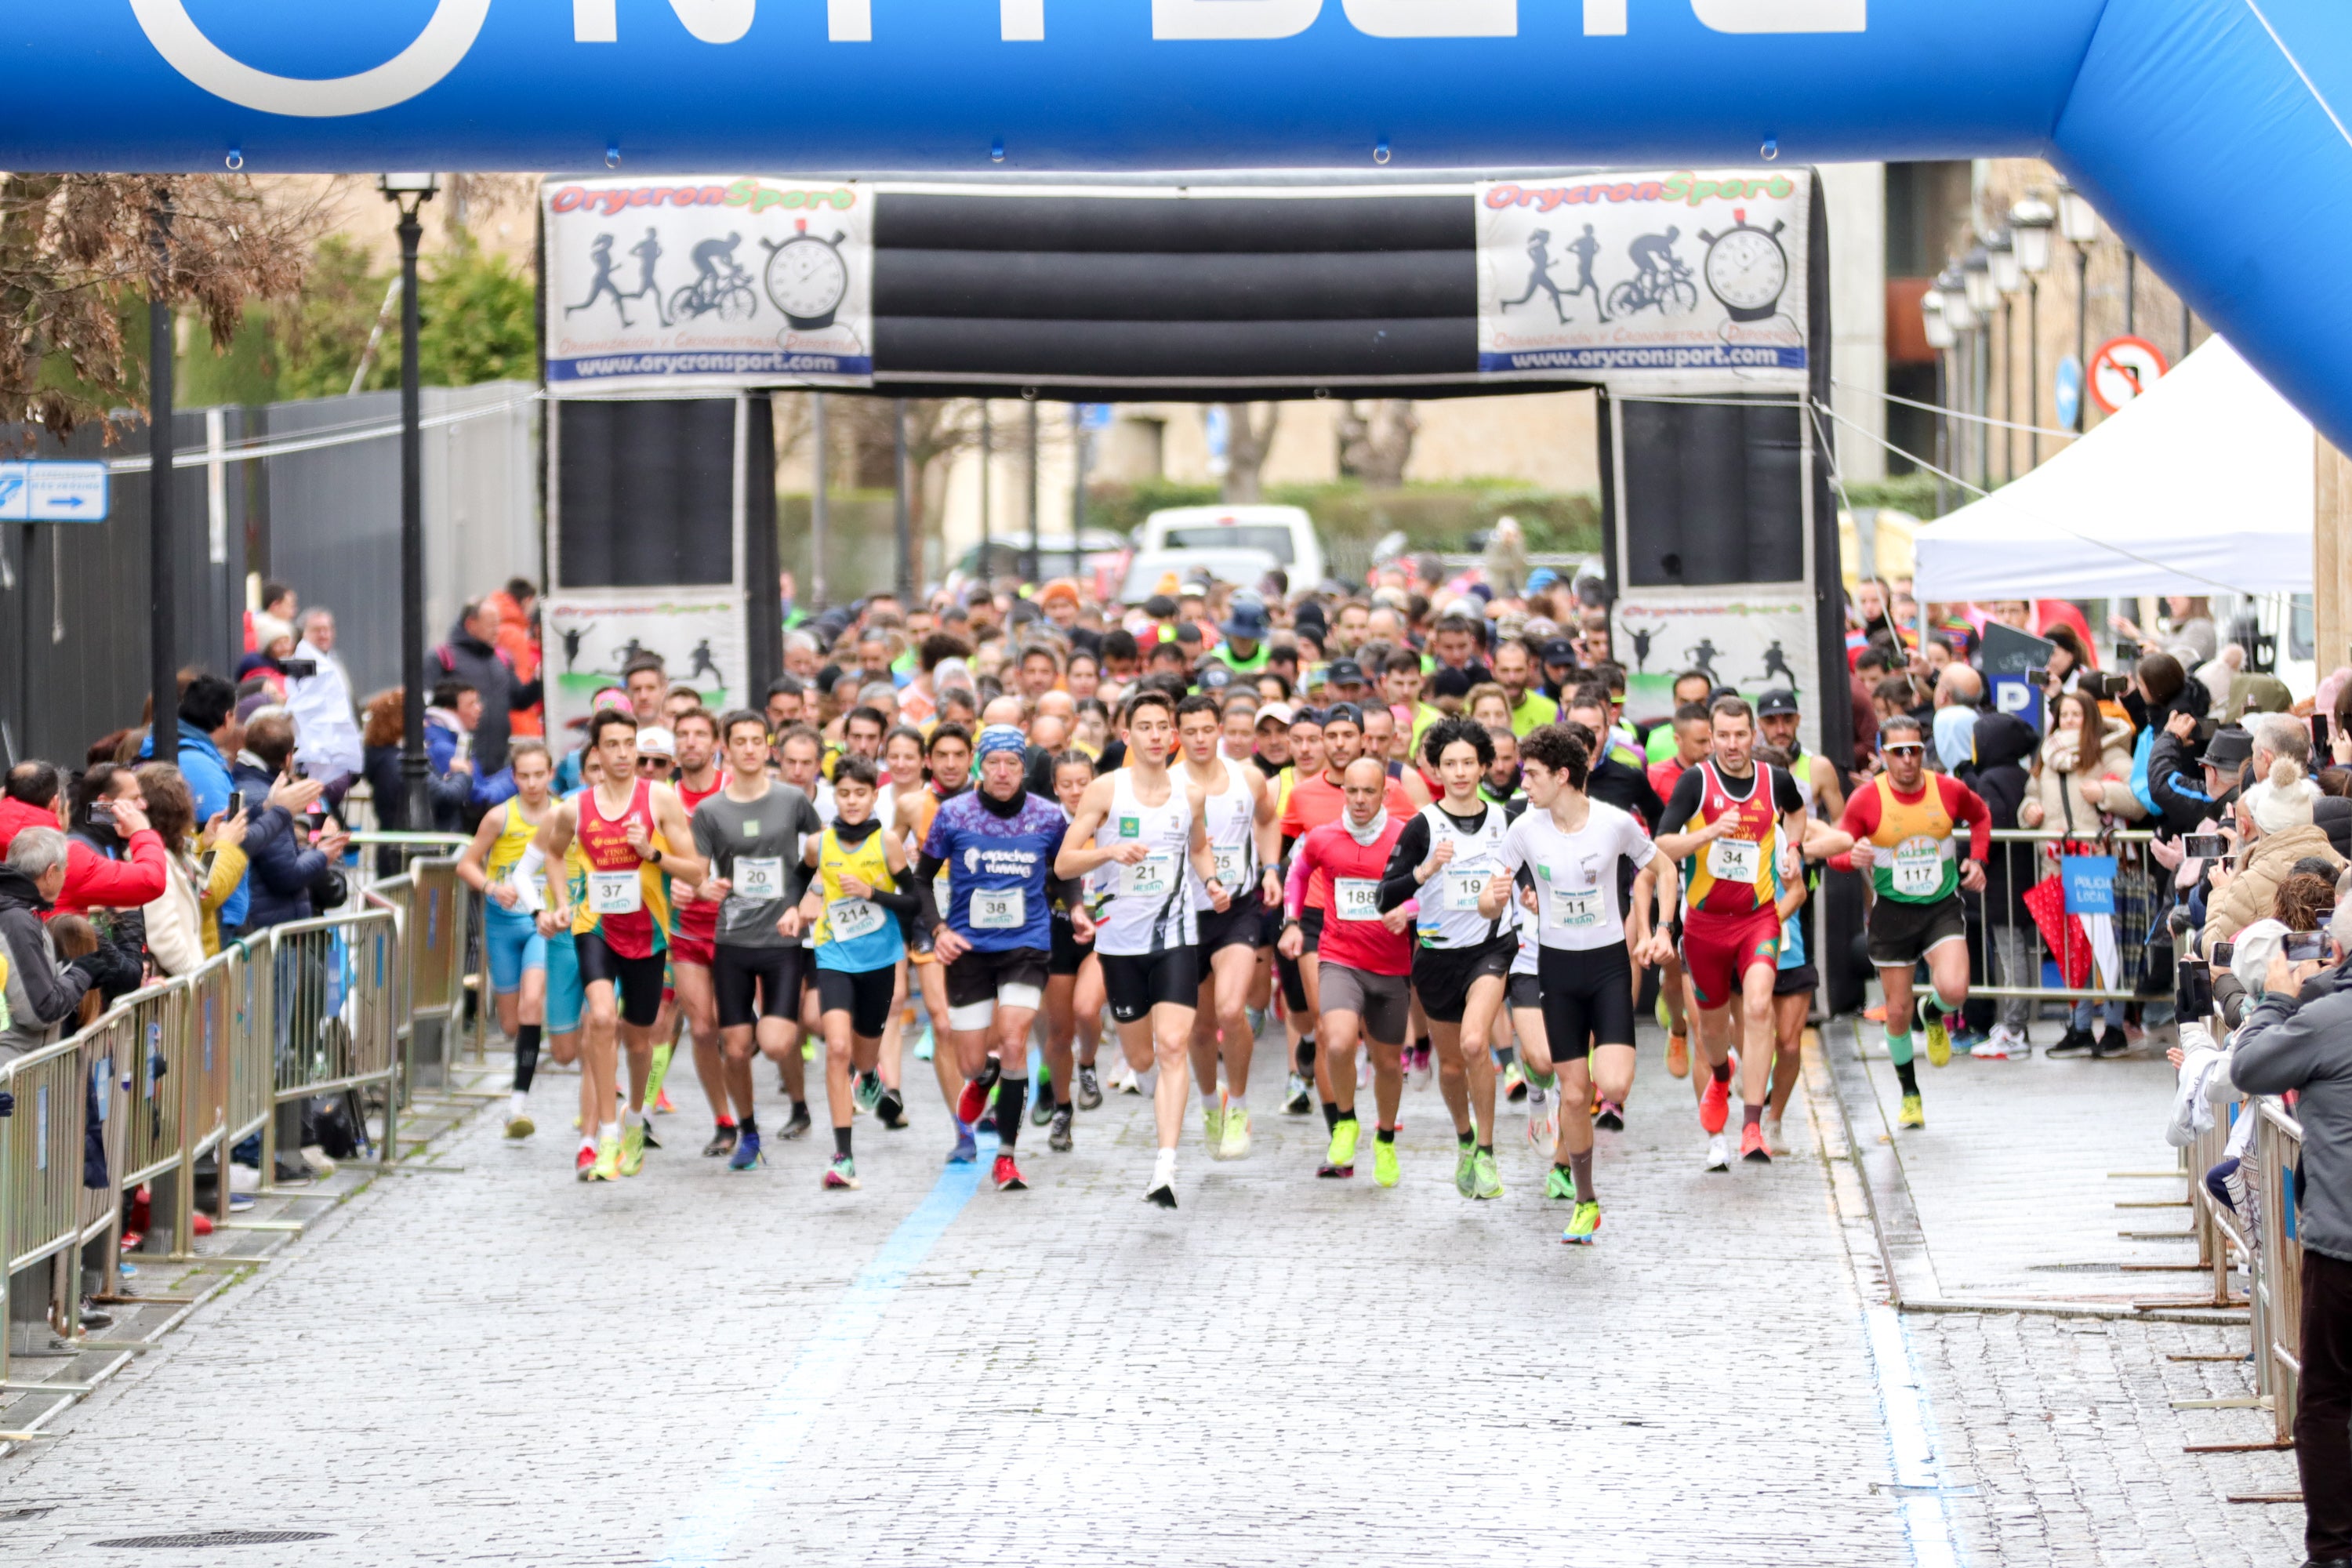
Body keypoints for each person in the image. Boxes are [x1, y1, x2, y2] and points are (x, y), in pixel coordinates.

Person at [1480, 722, 1675, 1242]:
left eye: (1533, 774)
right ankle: (1585, 1200)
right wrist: (1495, 897)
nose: (1524, 783)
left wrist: (1662, 929)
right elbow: (1486, 897)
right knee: (1573, 1092)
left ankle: (1582, 1080)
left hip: (1610, 966)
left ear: (1563, 776)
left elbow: (1666, 867)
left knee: (1612, 1084)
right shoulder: (1523, 829)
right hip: (1557, 970)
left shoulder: (1613, 824)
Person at [1057, 691, 1218, 1208]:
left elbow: (1199, 846)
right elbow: (1063, 864)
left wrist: (1212, 880)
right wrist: (1108, 850)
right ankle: (1155, 1095)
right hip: (1119, 944)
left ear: (1172, 736)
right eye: (1143, 727)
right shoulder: (1107, 789)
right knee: (1141, 1054)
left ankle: (1165, 1167)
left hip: (1175, 937)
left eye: (1161, 727)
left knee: (1174, 1045)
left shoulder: (1189, 795)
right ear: (1127, 737)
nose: (1154, 736)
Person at [535, 711, 706, 1183]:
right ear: (596, 753)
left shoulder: (661, 800)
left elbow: (695, 872)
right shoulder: (575, 808)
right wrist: (561, 901)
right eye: (612, 745)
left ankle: (634, 1119)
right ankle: (606, 1133)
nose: (624, 754)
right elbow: (553, 853)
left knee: (639, 1038)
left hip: (648, 931)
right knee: (603, 1018)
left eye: (629, 744)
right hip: (595, 925)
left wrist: (652, 853)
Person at [920, 723, 1077, 1192]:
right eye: (993, 763)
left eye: (1012, 763)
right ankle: (981, 1077)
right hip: (968, 948)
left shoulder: (1048, 817)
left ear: (1023, 768)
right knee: (972, 1059)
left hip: (1026, 944)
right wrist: (938, 929)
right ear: (979, 767)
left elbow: (1065, 872)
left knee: (1013, 1041)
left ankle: (1006, 1157)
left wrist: (1079, 908)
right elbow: (920, 880)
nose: (1003, 772)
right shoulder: (953, 814)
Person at [1654, 697, 1809, 1169]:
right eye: (1723, 736)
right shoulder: (1695, 782)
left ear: (1753, 735)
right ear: (1712, 736)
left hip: (1757, 918)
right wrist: (1708, 833)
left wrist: (1795, 849)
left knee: (1760, 1006)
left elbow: (1797, 812)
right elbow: (1663, 842)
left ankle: (1752, 1126)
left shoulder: (1774, 780)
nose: (1733, 744)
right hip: (1703, 926)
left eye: (1741, 735)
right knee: (1713, 1031)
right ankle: (1722, 1075)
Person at [1381, 717, 1521, 1202]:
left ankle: (1486, 1148)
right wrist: (1425, 870)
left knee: (1476, 1042)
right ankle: (1464, 1138)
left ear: (1485, 766)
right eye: (1449, 764)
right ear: (1435, 769)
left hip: (1492, 948)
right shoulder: (1422, 826)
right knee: (1453, 1065)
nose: (1460, 772)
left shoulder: (1507, 820)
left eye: (1468, 762)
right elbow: (1385, 896)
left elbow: (1530, 874)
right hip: (1437, 956)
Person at [1829, 715, 1991, 1131]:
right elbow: (1836, 852)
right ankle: (1910, 1094)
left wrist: (1977, 858)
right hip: (1892, 915)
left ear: (1923, 751)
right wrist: (1853, 858)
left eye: (1914, 751)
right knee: (1897, 1012)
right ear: (1882, 755)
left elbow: (1981, 816)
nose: (1907, 760)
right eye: (1898, 752)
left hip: (1940, 907)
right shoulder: (1866, 800)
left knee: (1954, 990)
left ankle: (1934, 1013)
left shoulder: (1947, 790)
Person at [696, 711, 827, 1173]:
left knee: (773, 1043)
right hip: (732, 939)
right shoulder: (710, 811)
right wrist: (701, 885)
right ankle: (749, 1132)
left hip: (782, 939)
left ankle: (799, 1102)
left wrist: (808, 896)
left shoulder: (793, 800)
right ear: (725, 749)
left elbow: (824, 854)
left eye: (757, 741)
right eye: (740, 741)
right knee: (734, 1047)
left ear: (767, 748)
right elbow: (698, 870)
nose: (749, 749)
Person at [1280, 757, 1415, 1184]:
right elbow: (1297, 875)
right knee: (1336, 1042)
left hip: (1391, 966)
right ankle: (1345, 1121)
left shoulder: (1405, 837)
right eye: (1352, 791)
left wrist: (1408, 911)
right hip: (1339, 957)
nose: (1359, 800)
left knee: (1388, 1064)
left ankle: (1386, 1140)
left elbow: (1428, 888)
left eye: (1368, 792)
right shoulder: (1322, 837)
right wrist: (1291, 920)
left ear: (1384, 794)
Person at [1175, 693, 1281, 1160]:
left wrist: (1272, 868)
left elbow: (1268, 821)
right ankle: (1208, 1102)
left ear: (1220, 729)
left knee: (1231, 1010)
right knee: (1198, 1029)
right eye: (1190, 732)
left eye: (1207, 729)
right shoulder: (1167, 784)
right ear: (1178, 735)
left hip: (1238, 909)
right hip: (1183, 914)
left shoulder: (1248, 777)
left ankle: (1237, 1105)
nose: (1200, 739)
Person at [2024, 690, 2146, 1056]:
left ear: (2090, 718)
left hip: (2097, 865)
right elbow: (2031, 794)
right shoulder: (2046, 756)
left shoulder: (2110, 751)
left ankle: (2113, 1027)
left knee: (2106, 950)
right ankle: (2078, 1028)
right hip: (2056, 864)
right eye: (2064, 716)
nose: (2070, 722)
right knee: (2067, 948)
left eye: (2077, 715)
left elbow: (2139, 799)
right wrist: (2028, 810)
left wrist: (2105, 791)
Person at [456, 740, 557, 1138]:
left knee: (533, 1002)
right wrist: (493, 888)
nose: (532, 783)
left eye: (539, 774)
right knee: (513, 1023)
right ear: (514, 777)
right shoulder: (499, 817)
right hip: (502, 923)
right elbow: (467, 864)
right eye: (525, 776)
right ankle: (532, 1034)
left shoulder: (563, 813)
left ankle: (517, 1106)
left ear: (550, 774)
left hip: (542, 923)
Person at [0, 828, 128, 1062]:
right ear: (50, 873)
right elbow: (41, 1010)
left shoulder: (21, 912)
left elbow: (25, 986)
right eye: (64, 869)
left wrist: (69, 969)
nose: (66, 875)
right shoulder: (16, 920)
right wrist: (81, 973)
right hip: (13, 1067)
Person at [134, 764, 249, 971]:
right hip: (185, 980)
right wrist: (226, 845)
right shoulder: (157, 858)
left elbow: (194, 883)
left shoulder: (169, 850)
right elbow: (207, 893)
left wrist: (204, 843)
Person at [433, 598, 540, 775]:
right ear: (471, 624)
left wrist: (538, 681)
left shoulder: (502, 659)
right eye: (491, 625)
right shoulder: (443, 658)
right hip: (457, 764)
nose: (497, 631)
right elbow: (427, 706)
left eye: (498, 625)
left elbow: (520, 700)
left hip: (497, 763)